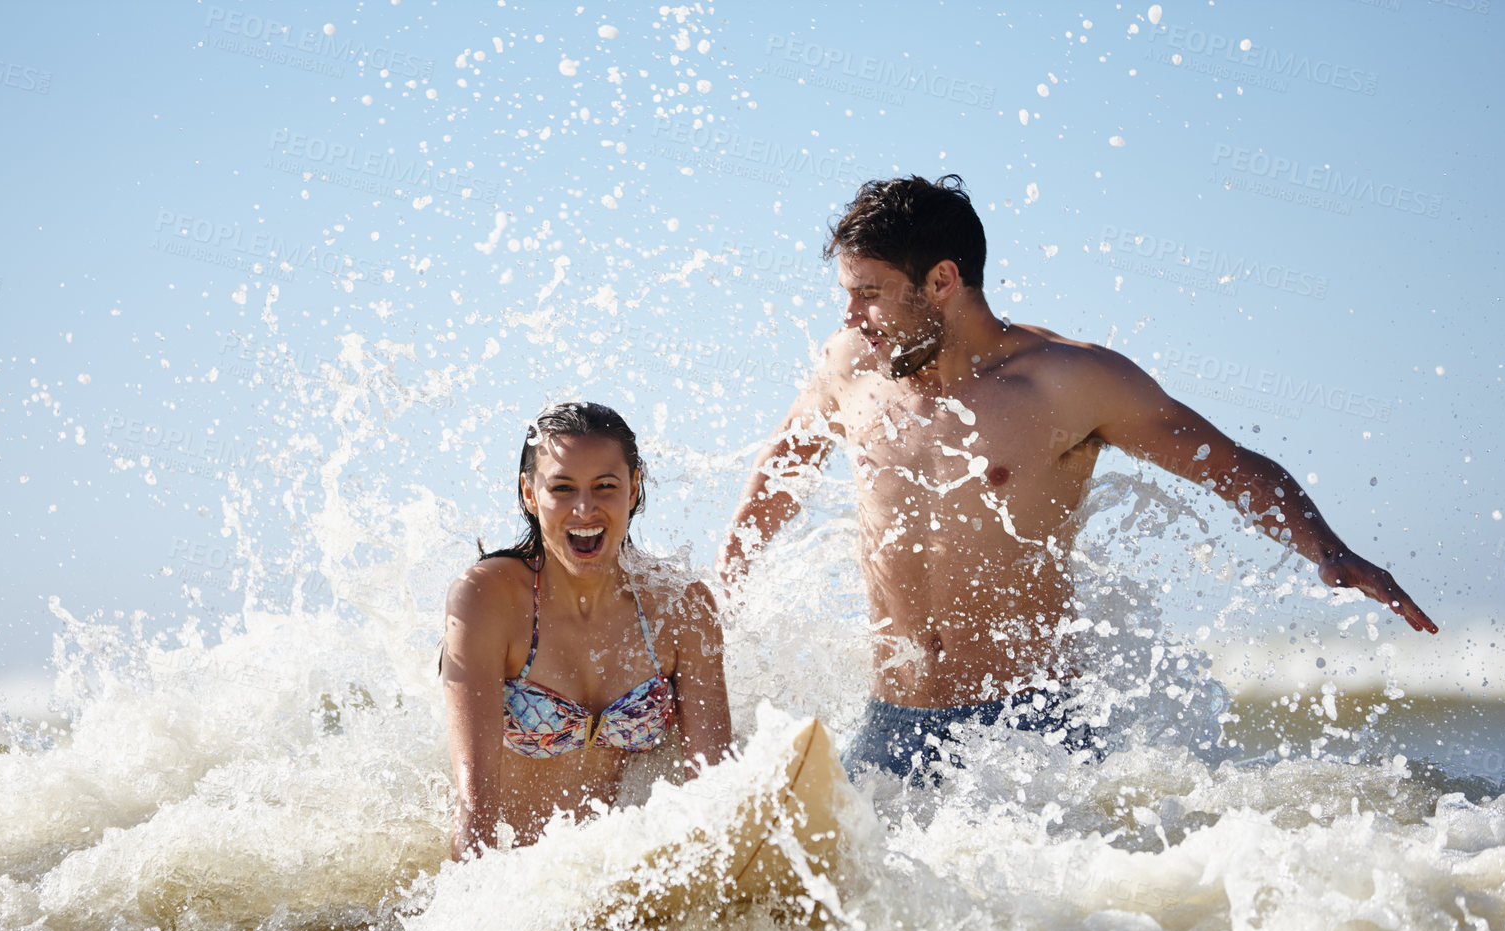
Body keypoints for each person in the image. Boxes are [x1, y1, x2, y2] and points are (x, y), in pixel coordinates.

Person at [718, 174, 1435, 783]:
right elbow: (780, 472)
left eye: (869, 293)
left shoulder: (1066, 383)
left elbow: (1230, 465)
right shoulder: (853, 365)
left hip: (1027, 733)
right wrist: (725, 588)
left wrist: (1325, 549)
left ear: (941, 280)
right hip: (892, 721)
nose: (851, 315)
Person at [443, 401, 732, 856]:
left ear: (634, 488)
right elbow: (474, 811)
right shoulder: (488, 600)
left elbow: (716, 789)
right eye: (562, 487)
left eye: (605, 486)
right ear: (529, 493)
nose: (584, 508)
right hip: (517, 883)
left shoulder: (682, 607)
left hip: (628, 874)